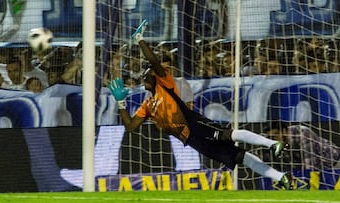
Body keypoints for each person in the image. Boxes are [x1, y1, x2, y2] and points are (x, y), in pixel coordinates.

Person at [108, 20, 293, 190]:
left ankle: (272, 144)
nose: (145, 75)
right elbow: (131, 126)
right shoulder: (147, 105)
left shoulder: (165, 84)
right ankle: (282, 177)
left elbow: (154, 62)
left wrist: (140, 39)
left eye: (148, 73)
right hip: (191, 140)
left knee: (227, 134)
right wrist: (120, 103)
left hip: (193, 123)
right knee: (238, 156)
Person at [266, 122, 340, 170]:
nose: (274, 138)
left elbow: (311, 161)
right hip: (320, 167)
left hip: (334, 162)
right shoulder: (276, 144)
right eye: (271, 136)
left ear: (284, 131)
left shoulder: (302, 133)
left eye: (276, 134)